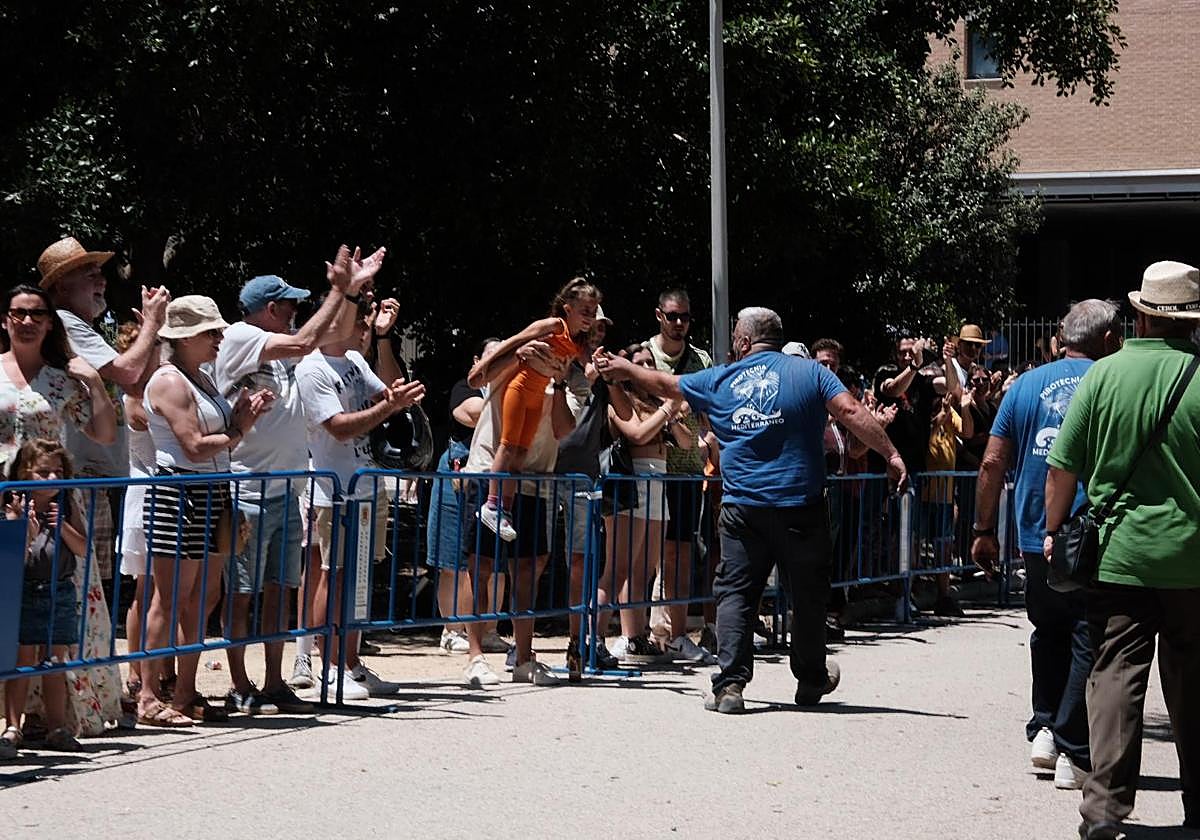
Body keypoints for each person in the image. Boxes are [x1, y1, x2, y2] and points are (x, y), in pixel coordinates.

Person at [596, 307, 907, 714]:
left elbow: (666, 384)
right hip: (802, 506)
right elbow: (850, 411)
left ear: (743, 342)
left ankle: (729, 686)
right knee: (809, 595)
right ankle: (811, 676)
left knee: (736, 594)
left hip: (743, 510)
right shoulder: (811, 373)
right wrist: (892, 453)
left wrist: (623, 368)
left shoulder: (722, 378)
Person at [1044, 262, 1200, 839]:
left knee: (1114, 674)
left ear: (1141, 315)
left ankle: (1105, 808)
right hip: (1192, 561)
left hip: (1117, 556)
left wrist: (1054, 528)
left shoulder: (1104, 376)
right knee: (1193, 679)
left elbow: (1063, 466)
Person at [215, 246, 378, 714]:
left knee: (279, 591)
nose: (295, 313)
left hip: (286, 487)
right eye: (289, 306)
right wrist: (338, 289)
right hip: (248, 488)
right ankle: (239, 683)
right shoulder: (241, 336)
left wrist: (352, 293)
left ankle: (273, 683)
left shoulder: (282, 347)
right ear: (270, 309)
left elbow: (333, 334)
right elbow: (308, 340)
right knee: (242, 593)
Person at [972, 299, 1122, 794]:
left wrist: (984, 528)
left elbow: (992, 461)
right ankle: (1068, 743)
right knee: (1085, 635)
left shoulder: (1025, 385)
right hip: (1089, 532)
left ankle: (1043, 730)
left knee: (1048, 629)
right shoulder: (1110, 382)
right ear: (1106, 341)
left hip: (1035, 533)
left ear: (1061, 338)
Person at [136, 296, 275, 726]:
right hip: (179, 491)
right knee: (171, 597)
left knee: (201, 600)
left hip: (210, 493)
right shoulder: (170, 381)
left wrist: (238, 416)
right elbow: (194, 447)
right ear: (185, 338)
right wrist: (239, 428)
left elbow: (206, 439)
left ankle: (184, 693)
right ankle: (147, 696)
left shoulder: (201, 378)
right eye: (211, 333)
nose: (219, 339)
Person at [0, 284, 123, 737]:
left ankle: (48, 716)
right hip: (3, 502)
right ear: (5, 320)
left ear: (50, 323)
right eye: (18, 313)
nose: (27, 321)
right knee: (6, 608)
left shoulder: (61, 380)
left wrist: (93, 382)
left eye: (37, 314)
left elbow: (105, 434)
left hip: (52, 502)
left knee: (51, 606)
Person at [296, 298, 424, 700]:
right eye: (358, 315)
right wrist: (389, 405)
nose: (364, 320)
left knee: (357, 582)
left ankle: (351, 664)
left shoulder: (352, 358)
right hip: (335, 490)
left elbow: (390, 388)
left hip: (367, 486)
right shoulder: (312, 368)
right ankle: (329, 668)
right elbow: (338, 428)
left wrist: (385, 339)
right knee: (333, 578)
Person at [39, 236, 170, 585]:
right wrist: (154, 325)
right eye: (91, 274)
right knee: (80, 585)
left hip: (90, 478)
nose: (102, 281)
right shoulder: (65, 321)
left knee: (90, 585)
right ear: (62, 285)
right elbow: (128, 372)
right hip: (78, 480)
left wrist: (150, 336)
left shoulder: (78, 327)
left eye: (101, 273)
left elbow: (137, 385)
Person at [459, 320, 576, 688]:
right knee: (481, 567)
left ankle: (524, 658)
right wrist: (520, 346)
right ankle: (475, 656)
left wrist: (558, 381)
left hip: (532, 484)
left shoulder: (562, 382)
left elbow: (563, 429)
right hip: (489, 475)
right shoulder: (513, 362)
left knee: (527, 570)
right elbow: (476, 377)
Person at [479, 278, 598, 542]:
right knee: (508, 446)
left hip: (537, 395)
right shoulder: (554, 325)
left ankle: (504, 508)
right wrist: (493, 361)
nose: (590, 317)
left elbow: (588, 360)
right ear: (568, 308)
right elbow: (518, 338)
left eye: (593, 311)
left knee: (521, 452)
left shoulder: (577, 341)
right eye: (585, 311)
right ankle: (491, 504)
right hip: (519, 388)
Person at [1, 440, 90, 758]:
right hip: (23, 591)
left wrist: (62, 526)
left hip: (60, 590)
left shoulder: (67, 503)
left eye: (58, 471)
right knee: (22, 661)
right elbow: (11, 555)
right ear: (25, 473)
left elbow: (82, 548)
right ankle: (13, 727)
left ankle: (57, 727)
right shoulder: (11, 503)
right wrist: (22, 526)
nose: (53, 479)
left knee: (55, 662)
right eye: (43, 472)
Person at [642, 288, 716, 663]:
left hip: (687, 472)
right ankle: (638, 634)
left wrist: (707, 440)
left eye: (684, 316)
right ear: (659, 315)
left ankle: (677, 633)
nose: (678, 323)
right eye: (672, 316)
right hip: (649, 468)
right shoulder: (643, 356)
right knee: (643, 554)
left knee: (682, 553)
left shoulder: (701, 359)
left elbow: (710, 415)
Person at [425, 337, 505, 656]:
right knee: (452, 558)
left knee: (496, 560)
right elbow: (468, 414)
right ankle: (452, 629)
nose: (499, 361)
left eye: (504, 356)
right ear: (477, 360)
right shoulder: (466, 387)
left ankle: (489, 629)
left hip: (496, 478)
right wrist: (509, 404)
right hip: (459, 473)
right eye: (492, 356)